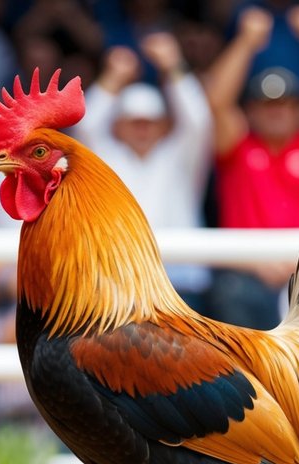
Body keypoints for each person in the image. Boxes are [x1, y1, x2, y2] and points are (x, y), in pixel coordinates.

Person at [204, 5, 299, 329]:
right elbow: (217, 101)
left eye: (287, 103)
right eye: (266, 103)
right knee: (232, 300)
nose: (277, 111)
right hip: (245, 277)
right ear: (251, 111)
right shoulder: (238, 146)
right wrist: (245, 41)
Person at [74, 33, 213, 310]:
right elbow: (84, 126)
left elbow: (199, 120)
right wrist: (113, 78)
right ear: (118, 125)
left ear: (164, 124)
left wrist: (174, 66)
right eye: (134, 122)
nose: (142, 129)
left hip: (181, 283)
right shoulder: (107, 159)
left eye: (149, 122)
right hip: (120, 285)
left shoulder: (179, 157)